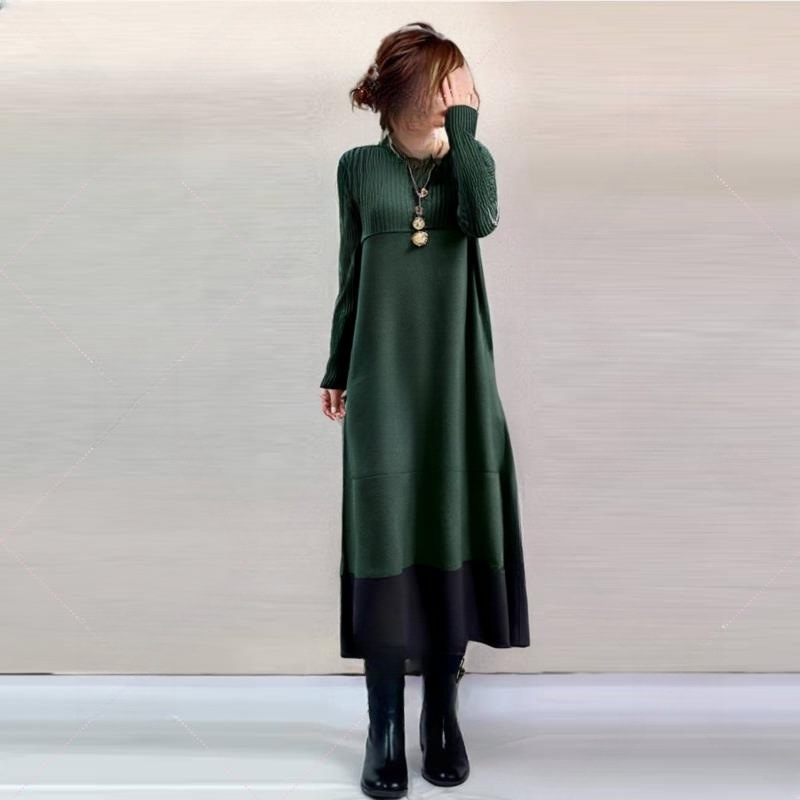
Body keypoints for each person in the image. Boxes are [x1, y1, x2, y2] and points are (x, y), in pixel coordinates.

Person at [319, 21, 531, 799]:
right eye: (442, 83)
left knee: (450, 524)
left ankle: (441, 714)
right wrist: (336, 363)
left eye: (459, 82)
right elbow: (351, 272)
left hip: (456, 378)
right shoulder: (357, 168)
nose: (453, 94)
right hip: (381, 379)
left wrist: (464, 127)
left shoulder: (471, 163)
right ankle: (383, 726)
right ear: (402, 89)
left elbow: (481, 219)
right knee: (384, 534)